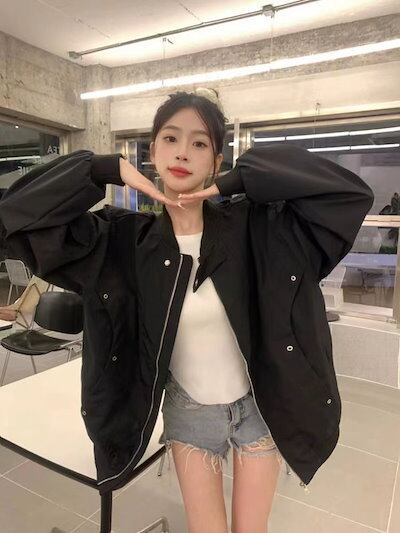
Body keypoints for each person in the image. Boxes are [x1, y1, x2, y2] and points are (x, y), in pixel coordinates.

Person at [0, 89, 374, 533]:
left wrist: (240, 180)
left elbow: (347, 193)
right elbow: (16, 217)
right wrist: (103, 169)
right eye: (171, 138)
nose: (182, 152)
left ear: (216, 161)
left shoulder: (256, 228)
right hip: (189, 412)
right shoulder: (123, 242)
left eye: (199, 143)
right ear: (152, 151)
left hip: (258, 406)